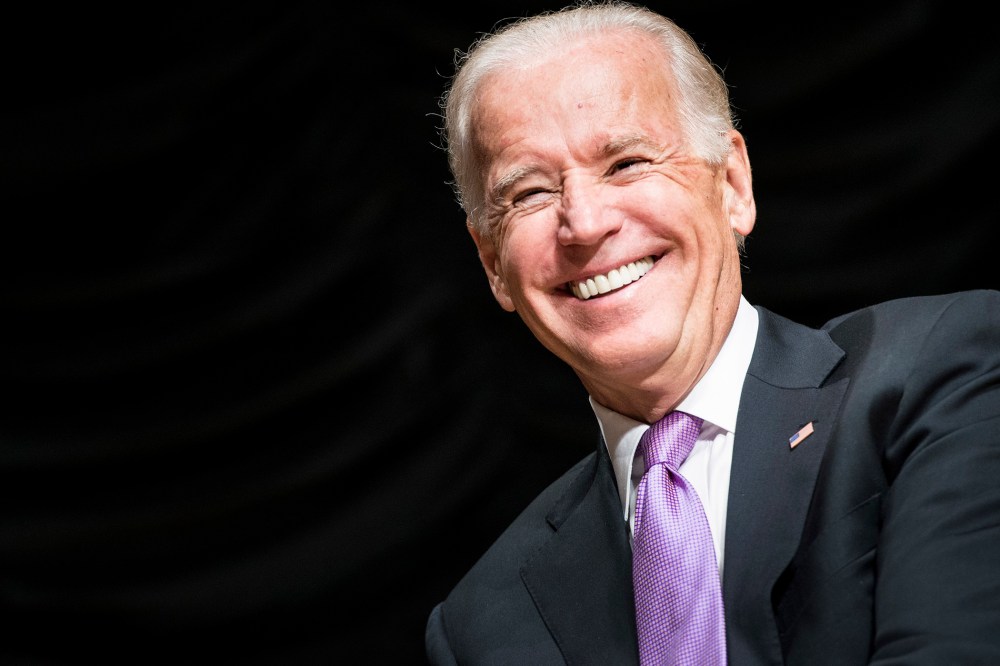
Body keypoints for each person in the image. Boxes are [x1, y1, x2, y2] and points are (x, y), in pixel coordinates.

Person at [424, 1, 1000, 663]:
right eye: (529, 193)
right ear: (492, 263)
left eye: (626, 163)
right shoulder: (480, 627)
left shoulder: (937, 373)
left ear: (731, 184)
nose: (583, 223)